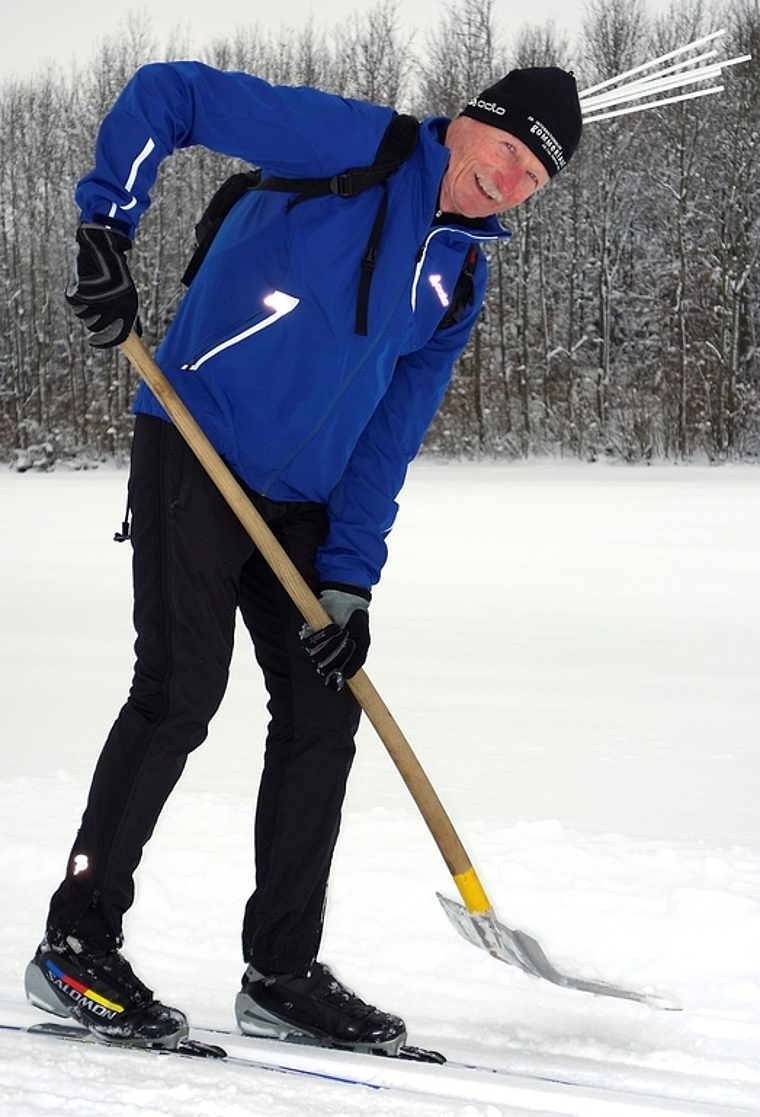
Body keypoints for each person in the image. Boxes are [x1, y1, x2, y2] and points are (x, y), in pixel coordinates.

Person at [24, 62, 582, 1053]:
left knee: (326, 714)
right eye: (504, 150)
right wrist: (106, 228)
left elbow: (385, 440)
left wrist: (349, 579)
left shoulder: (459, 280)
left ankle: (280, 970)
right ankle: (76, 945)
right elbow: (170, 96)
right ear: (464, 126)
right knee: (179, 692)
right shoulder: (359, 147)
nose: (508, 179)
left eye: (533, 177)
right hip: (197, 442)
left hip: (309, 505)